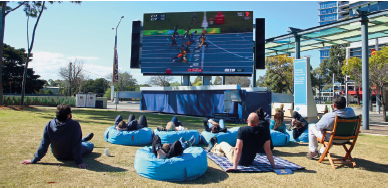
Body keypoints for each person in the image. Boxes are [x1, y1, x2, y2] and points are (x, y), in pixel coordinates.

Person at [20, 104, 94, 169]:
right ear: (68, 116)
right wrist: (79, 162)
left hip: (57, 155)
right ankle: (83, 140)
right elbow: (76, 146)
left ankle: (83, 140)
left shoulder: (49, 124)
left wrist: (34, 160)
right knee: (90, 145)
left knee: (78, 142)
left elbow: (44, 144)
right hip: (71, 155)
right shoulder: (74, 125)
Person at [209, 113, 282, 170]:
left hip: (238, 159)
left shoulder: (242, 130)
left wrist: (234, 167)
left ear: (247, 120)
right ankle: (219, 153)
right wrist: (274, 165)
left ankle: (213, 146)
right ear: (258, 121)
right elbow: (268, 150)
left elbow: (238, 149)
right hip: (250, 160)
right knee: (228, 151)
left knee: (223, 144)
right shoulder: (264, 131)